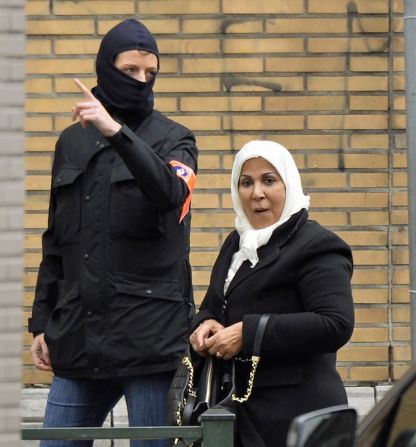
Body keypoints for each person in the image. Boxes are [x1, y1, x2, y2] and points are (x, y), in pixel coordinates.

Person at [28, 19, 198, 446]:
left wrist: (116, 132)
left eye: (151, 73)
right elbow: (56, 241)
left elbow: (170, 196)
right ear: (106, 69)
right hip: (79, 339)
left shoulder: (176, 139)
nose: (142, 81)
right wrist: (41, 322)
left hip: (150, 342)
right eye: (130, 71)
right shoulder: (71, 142)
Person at [189, 140, 354, 447]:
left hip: (297, 418)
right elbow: (216, 303)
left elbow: (335, 324)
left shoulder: (317, 245)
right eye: (246, 182)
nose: (257, 194)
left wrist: (248, 333)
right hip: (240, 414)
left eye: (269, 180)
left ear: (288, 184)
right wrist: (206, 323)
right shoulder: (237, 243)